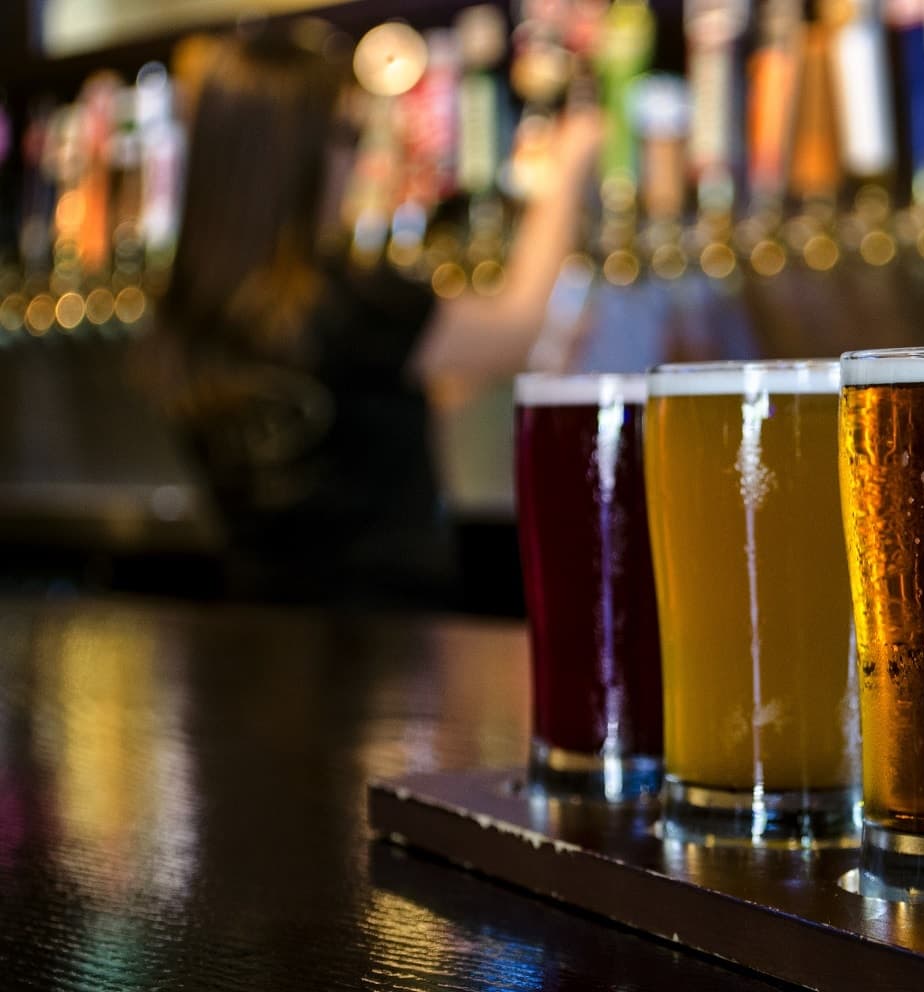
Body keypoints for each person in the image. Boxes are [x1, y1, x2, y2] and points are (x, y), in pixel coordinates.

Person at [134, 30, 602, 607]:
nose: (357, 161)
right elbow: (523, 325)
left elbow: (352, 411)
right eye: (347, 136)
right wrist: (568, 169)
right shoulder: (351, 300)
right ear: (295, 152)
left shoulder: (194, 309)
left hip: (259, 631)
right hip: (389, 639)